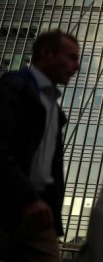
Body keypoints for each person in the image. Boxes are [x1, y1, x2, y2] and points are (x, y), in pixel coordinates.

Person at [0, 30, 80, 261]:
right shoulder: (13, 89)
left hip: (38, 214)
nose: (76, 67)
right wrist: (27, 198)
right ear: (46, 53)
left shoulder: (53, 107)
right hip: (11, 204)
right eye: (71, 57)